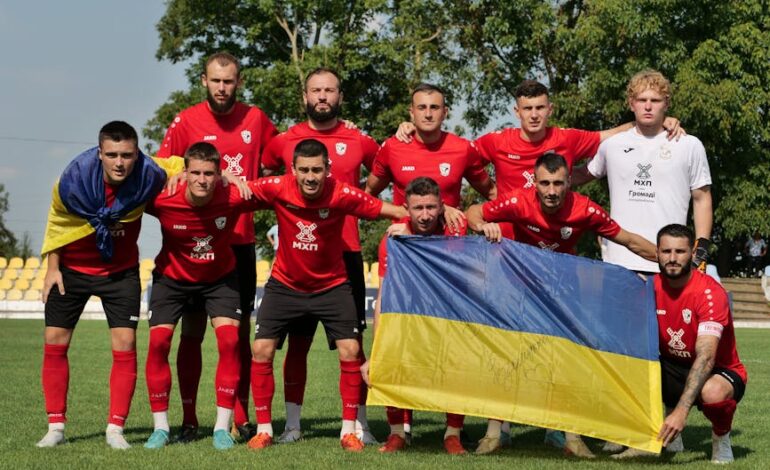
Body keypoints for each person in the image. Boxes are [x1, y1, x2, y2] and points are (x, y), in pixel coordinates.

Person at [466, 153, 658, 457]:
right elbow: (474, 210)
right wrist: (481, 227)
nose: (552, 191)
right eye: (545, 183)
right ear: (535, 182)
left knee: (566, 361)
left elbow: (630, 241)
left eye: (558, 183)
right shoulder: (517, 202)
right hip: (519, 290)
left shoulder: (585, 209)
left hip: (564, 293)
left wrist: (671, 260)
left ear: (569, 181)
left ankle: (570, 436)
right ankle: (494, 434)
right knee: (505, 356)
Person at [246, 139, 406, 452]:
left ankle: (349, 431)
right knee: (262, 349)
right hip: (285, 284)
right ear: (293, 170)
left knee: (350, 349)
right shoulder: (278, 186)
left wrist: (413, 216)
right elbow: (237, 193)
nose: (310, 176)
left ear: (327, 170)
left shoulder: (341, 192)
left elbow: (386, 208)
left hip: (332, 285)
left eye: (317, 170)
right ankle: (265, 429)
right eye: (304, 170)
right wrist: (221, 180)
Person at [156, 51, 278, 441]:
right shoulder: (185, 120)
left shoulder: (256, 119)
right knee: (190, 332)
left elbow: (286, 155)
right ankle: (190, 420)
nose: (222, 88)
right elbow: (161, 167)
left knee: (236, 334)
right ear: (204, 81)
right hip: (188, 246)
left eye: (229, 81)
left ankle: (238, 415)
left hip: (237, 242)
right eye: (215, 80)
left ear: (238, 82)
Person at [396, 79, 682, 241]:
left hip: (555, 238)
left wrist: (658, 123)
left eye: (540, 108)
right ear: (516, 111)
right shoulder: (496, 141)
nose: (534, 114)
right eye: (527, 108)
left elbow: (610, 134)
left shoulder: (567, 138)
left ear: (550, 109)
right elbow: (453, 156)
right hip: (508, 239)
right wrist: (415, 129)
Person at [260, 68, 380, 444]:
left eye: (330, 90)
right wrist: (277, 226)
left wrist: (362, 194)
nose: (323, 96)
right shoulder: (284, 140)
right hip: (299, 260)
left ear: (339, 96)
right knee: (297, 345)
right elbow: (265, 176)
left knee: (354, 346)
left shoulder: (359, 139)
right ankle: (292, 426)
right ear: (305, 96)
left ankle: (359, 425)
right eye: (316, 90)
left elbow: (382, 173)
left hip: (345, 255)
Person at [37, 121, 172, 449]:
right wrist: (52, 268)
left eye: (126, 154)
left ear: (136, 154)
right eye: (111, 154)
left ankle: (115, 429)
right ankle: (55, 427)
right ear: (99, 154)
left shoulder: (148, 176)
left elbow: (186, 165)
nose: (120, 162)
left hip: (120, 273)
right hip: (72, 270)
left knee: (125, 345)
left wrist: (217, 174)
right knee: (55, 340)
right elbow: (57, 222)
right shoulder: (72, 182)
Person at [143, 142, 266, 450]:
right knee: (159, 343)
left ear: (219, 174)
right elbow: (130, 178)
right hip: (171, 280)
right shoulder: (163, 197)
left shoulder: (232, 195)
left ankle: (222, 428)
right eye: (195, 173)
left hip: (219, 279)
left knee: (229, 341)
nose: (202, 180)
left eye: (209, 173)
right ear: (185, 173)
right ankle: (162, 427)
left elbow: (277, 193)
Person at [612, 224, 747, 464]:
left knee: (712, 392)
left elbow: (706, 357)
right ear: (657, 253)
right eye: (666, 252)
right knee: (625, 368)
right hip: (672, 365)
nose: (672, 258)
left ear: (692, 254)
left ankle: (721, 437)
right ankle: (649, 437)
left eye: (680, 252)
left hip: (718, 369)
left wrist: (682, 412)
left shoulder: (710, 293)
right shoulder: (648, 289)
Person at [360, 176, 468, 455]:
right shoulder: (393, 240)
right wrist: (378, 348)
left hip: (447, 315)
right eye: (418, 208)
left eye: (431, 207)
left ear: (442, 206)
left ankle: (453, 434)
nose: (425, 215)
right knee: (394, 365)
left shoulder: (457, 228)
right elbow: (384, 295)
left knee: (453, 371)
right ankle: (397, 434)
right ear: (406, 208)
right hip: (408, 316)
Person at [574, 69, 712, 275]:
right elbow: (576, 177)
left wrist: (700, 252)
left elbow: (702, 199)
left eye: (655, 100)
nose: (648, 106)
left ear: (666, 103)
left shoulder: (689, 145)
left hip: (670, 263)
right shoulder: (612, 145)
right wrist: (529, 173)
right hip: (618, 262)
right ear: (631, 103)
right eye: (642, 99)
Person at [366, 83, 496, 214]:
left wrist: (475, 216)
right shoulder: (392, 147)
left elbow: (492, 192)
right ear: (412, 113)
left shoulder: (463, 148)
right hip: (404, 234)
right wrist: (399, 212)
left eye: (434, 107)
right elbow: (367, 194)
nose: (428, 114)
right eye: (421, 108)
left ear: (445, 112)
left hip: (448, 234)